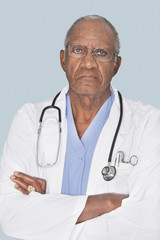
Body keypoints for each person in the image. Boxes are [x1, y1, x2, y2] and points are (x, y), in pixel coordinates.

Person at [0, 15, 160, 240]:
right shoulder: (29, 119)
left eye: (101, 53)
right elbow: (10, 216)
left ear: (117, 64)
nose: (88, 62)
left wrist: (47, 207)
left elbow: (149, 221)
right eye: (78, 50)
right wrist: (107, 202)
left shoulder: (148, 124)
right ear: (63, 59)